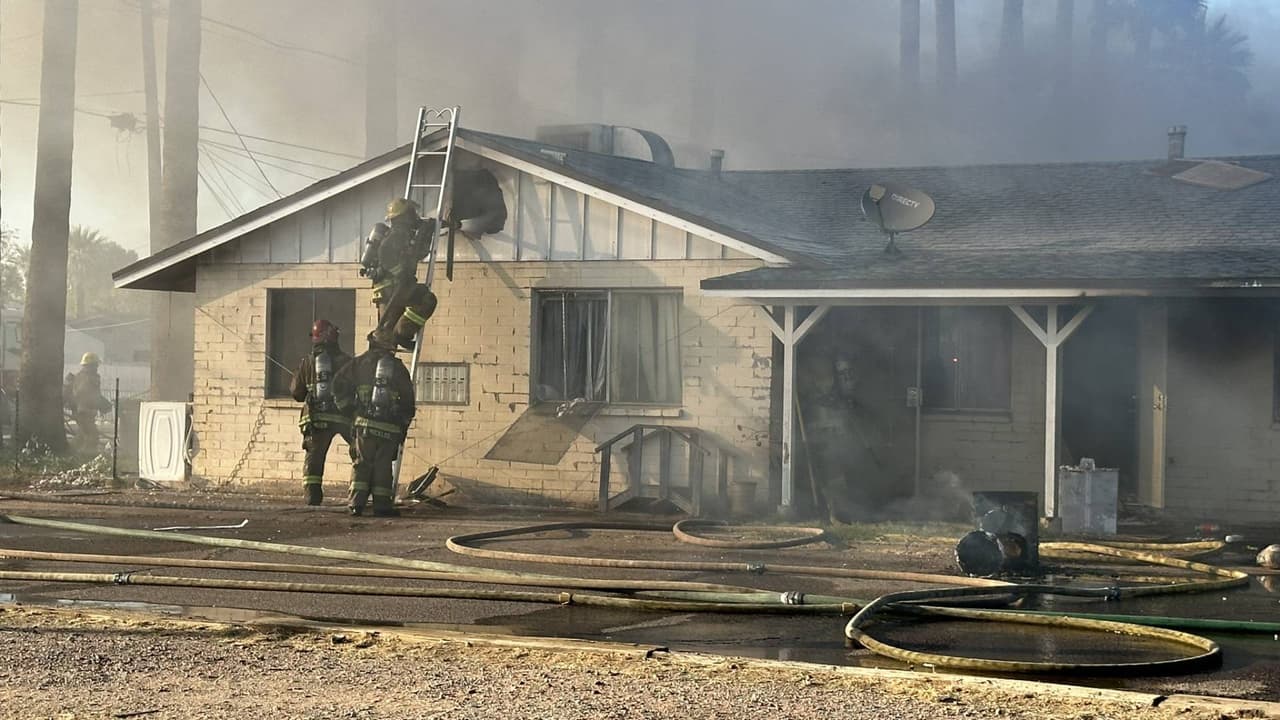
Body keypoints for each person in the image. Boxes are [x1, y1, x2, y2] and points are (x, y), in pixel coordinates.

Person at [336, 334, 415, 516]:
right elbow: (408, 399)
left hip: (365, 425)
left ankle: (356, 504)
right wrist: (403, 423)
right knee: (383, 467)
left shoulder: (358, 363)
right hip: (389, 427)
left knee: (362, 463)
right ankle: (382, 507)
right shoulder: (397, 367)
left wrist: (349, 409)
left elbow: (337, 385)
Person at [360, 198, 442, 351]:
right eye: (411, 213)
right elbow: (384, 253)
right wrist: (400, 272)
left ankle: (388, 348)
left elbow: (414, 255)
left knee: (386, 333)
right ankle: (402, 334)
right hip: (392, 288)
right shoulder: (398, 234)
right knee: (427, 300)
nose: (414, 216)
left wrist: (426, 235)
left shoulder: (402, 233)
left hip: (388, 289)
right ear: (404, 216)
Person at [289, 319, 354, 506]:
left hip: (316, 418)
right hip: (343, 417)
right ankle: (359, 494)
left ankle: (312, 497)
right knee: (360, 451)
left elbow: (297, 393)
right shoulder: (347, 362)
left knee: (314, 458)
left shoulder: (307, 362)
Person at [70, 353, 110, 452]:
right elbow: (89, 394)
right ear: (90, 365)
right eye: (95, 365)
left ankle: (70, 451)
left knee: (82, 435)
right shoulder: (89, 378)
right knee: (93, 436)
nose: (97, 367)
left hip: (81, 411)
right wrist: (101, 403)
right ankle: (87, 455)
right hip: (84, 412)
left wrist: (101, 403)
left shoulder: (80, 376)